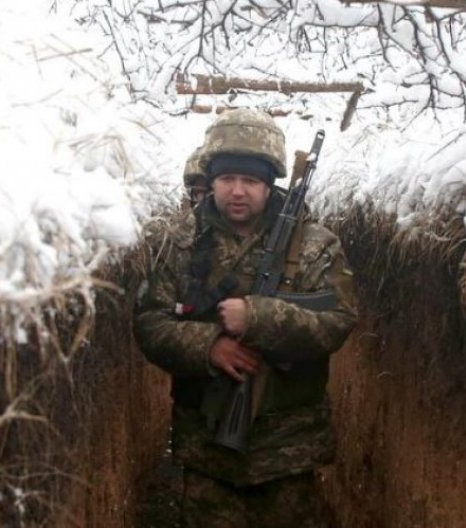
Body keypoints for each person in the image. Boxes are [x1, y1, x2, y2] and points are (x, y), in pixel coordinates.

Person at [134, 109, 357, 527]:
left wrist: (258, 316)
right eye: (227, 179)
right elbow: (149, 323)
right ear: (211, 180)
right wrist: (209, 347)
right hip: (206, 449)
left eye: (250, 181)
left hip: (288, 453)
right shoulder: (177, 243)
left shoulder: (314, 245)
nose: (238, 191)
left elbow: (338, 320)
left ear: (269, 182)